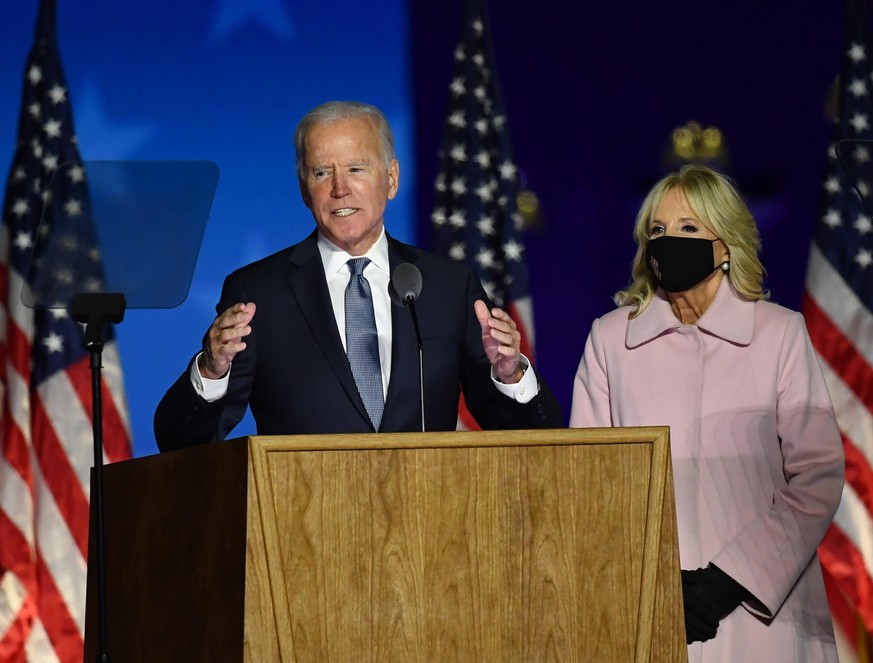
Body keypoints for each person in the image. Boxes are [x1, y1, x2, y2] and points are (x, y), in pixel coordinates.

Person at [154, 101, 561, 449]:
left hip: (429, 519)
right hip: (304, 526)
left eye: (356, 168)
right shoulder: (259, 293)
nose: (339, 189)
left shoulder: (449, 288)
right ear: (303, 189)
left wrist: (511, 375)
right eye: (321, 173)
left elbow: (534, 435)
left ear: (392, 179)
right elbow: (179, 440)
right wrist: (211, 370)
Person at [569, 164, 844, 661]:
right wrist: (650, 584)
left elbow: (817, 477)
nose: (668, 241)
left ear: (725, 245)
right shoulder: (611, 341)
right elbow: (589, 486)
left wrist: (725, 582)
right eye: (657, 230)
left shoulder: (779, 334)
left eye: (689, 229)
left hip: (765, 617)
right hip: (650, 614)